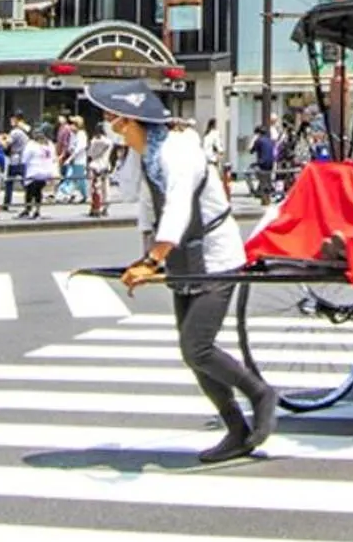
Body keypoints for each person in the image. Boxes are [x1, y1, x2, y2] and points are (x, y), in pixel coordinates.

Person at [94, 79, 276, 465]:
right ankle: (237, 430)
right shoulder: (149, 154)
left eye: (112, 120)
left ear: (128, 122)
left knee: (198, 346)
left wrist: (151, 262)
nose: (109, 126)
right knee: (193, 353)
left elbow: (177, 207)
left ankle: (260, 394)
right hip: (183, 260)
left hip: (216, 256)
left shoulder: (179, 153)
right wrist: (145, 258)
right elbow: (148, 209)